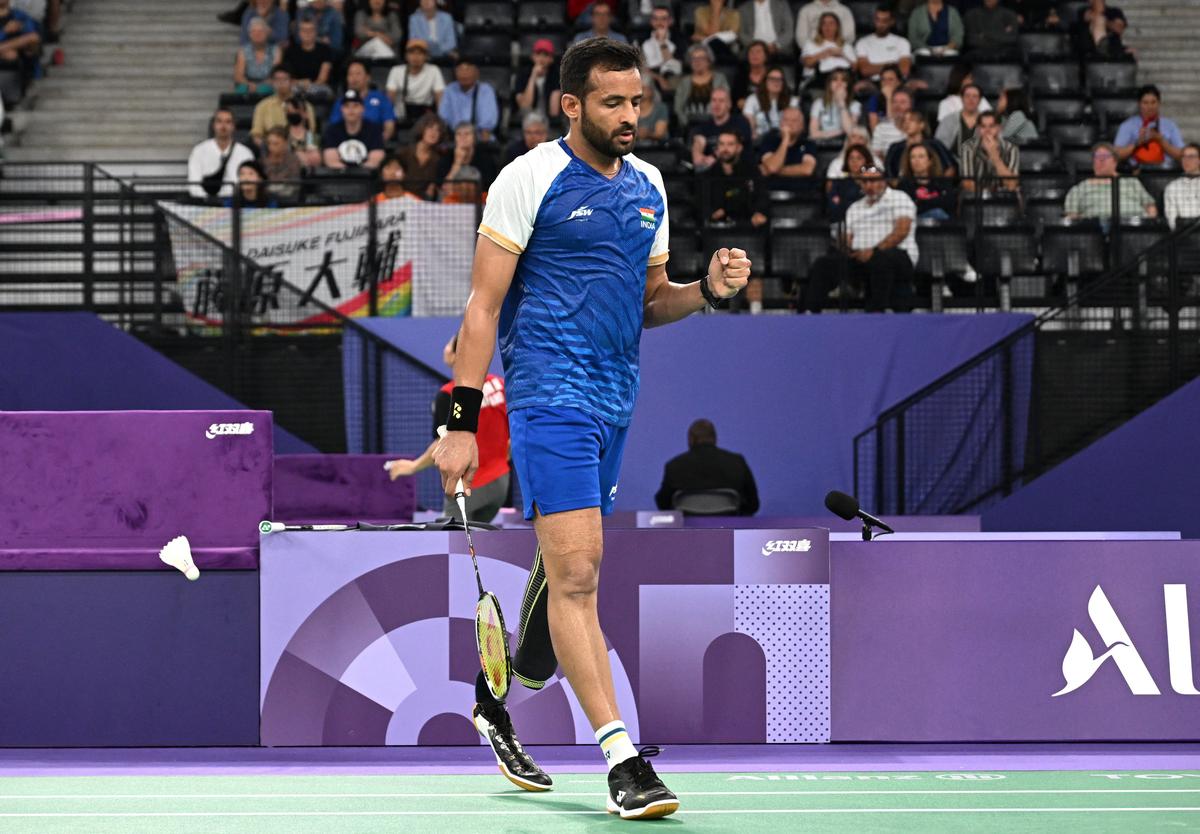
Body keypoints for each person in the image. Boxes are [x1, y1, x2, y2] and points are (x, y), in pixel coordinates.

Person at [434, 38, 750, 820]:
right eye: (613, 103)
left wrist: (705, 289)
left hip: (615, 401)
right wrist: (460, 423)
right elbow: (481, 308)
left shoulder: (648, 186)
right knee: (580, 576)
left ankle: (494, 695)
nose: (630, 116)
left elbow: (651, 302)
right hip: (548, 396)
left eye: (637, 102)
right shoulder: (529, 178)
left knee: (562, 578)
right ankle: (621, 759)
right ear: (572, 104)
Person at [386, 335, 510, 521]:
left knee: (453, 544)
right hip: (501, 483)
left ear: (455, 356)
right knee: (480, 542)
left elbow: (443, 443)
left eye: (448, 345)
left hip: (467, 486)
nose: (444, 348)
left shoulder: (449, 395)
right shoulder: (499, 385)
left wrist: (413, 466)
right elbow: (513, 436)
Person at [806, 164, 917, 312]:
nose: (869, 185)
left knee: (880, 260)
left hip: (897, 256)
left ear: (883, 181)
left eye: (874, 180)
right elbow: (847, 237)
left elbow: (902, 230)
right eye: (865, 182)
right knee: (824, 264)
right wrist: (847, 247)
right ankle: (810, 313)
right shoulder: (855, 208)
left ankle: (875, 314)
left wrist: (875, 250)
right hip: (860, 257)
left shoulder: (899, 198)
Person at [654, 419, 759, 514]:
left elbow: (663, 504)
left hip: (687, 531)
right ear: (715, 438)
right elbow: (753, 504)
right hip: (728, 530)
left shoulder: (674, 466)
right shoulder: (737, 462)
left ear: (691, 439)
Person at [1063, 142, 1157, 225]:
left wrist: (1147, 224)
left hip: (1133, 228)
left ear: (1115, 161)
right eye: (1097, 156)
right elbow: (1072, 217)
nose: (1101, 159)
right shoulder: (1080, 188)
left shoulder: (1132, 182)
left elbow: (1150, 207)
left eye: (1105, 156)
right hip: (1096, 231)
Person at [702, 128, 770, 230]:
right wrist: (710, 213)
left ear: (739, 147)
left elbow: (761, 196)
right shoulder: (708, 175)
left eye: (730, 144)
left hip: (749, 228)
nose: (725, 149)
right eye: (721, 144)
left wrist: (759, 212)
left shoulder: (752, 171)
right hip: (718, 230)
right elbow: (703, 204)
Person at [187, 109, 257, 200]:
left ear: (233, 126)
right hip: (206, 203)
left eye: (228, 122)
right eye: (219, 121)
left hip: (236, 204)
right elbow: (194, 184)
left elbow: (250, 184)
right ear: (213, 125)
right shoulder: (199, 151)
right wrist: (209, 200)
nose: (223, 126)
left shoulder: (245, 153)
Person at [1114, 85, 1185, 171]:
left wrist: (1161, 141)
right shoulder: (1128, 126)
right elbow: (1116, 155)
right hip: (1136, 173)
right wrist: (1137, 143)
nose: (1150, 107)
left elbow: (1183, 156)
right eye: (1145, 103)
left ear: (1159, 103)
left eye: (1153, 102)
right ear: (1139, 104)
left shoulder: (1170, 125)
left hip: (1166, 172)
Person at [329, 59, 397, 142]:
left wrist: (378, 143)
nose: (354, 78)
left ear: (368, 78)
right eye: (350, 74)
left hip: (375, 144)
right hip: (347, 145)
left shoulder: (381, 98)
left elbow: (389, 126)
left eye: (358, 74)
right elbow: (334, 128)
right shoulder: (341, 101)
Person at [251, 66, 317, 147]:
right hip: (271, 149)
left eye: (284, 79)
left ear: (292, 82)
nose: (280, 83)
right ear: (271, 82)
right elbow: (256, 135)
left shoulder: (305, 106)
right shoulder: (262, 106)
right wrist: (267, 148)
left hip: (299, 148)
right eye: (277, 80)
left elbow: (311, 132)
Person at [690, 86, 753, 170]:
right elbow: (699, 141)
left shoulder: (741, 122)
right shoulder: (704, 126)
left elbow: (736, 146)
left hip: (738, 170)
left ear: (729, 104)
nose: (717, 104)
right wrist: (698, 155)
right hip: (712, 172)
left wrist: (714, 157)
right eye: (714, 100)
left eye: (721, 100)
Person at [439, 57, 501, 143]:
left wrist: (483, 145)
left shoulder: (486, 90)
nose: (464, 73)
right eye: (460, 70)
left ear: (477, 73)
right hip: (455, 137)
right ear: (455, 73)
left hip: (478, 138)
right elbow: (443, 118)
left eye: (468, 69)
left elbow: (487, 125)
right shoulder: (450, 90)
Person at [321, 88, 386, 170]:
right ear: (341, 109)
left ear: (363, 109)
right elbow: (331, 160)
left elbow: (376, 160)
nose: (351, 110)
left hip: (367, 179)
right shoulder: (332, 131)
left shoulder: (374, 130)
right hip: (339, 179)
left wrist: (358, 172)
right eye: (347, 106)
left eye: (355, 106)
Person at [386, 39, 445, 125]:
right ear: (406, 56)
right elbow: (390, 98)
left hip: (425, 115)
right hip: (401, 116)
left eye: (420, 53)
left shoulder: (434, 70)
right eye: (412, 53)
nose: (415, 57)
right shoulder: (396, 70)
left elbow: (440, 97)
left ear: (426, 56)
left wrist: (440, 120)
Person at [759, 106, 818, 187]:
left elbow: (807, 169)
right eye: (786, 120)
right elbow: (772, 166)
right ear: (780, 123)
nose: (789, 124)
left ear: (802, 126)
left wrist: (776, 170)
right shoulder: (769, 141)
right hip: (771, 191)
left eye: (794, 121)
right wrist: (785, 140)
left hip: (801, 192)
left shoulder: (809, 144)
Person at [885, 109, 955, 176]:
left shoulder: (935, 145)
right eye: (904, 121)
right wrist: (899, 186)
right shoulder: (895, 148)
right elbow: (889, 171)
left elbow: (950, 168)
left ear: (921, 125)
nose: (907, 123)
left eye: (911, 120)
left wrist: (940, 184)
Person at [897, 143, 957, 221]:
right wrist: (936, 201)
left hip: (942, 225)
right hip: (916, 223)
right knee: (937, 212)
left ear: (930, 161)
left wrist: (920, 202)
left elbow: (950, 203)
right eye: (912, 157)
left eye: (921, 156)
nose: (916, 160)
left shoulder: (942, 182)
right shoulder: (904, 185)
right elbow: (907, 209)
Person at [673, 43, 729, 127]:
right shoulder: (684, 82)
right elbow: (678, 107)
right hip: (689, 123)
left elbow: (725, 103)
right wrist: (686, 123)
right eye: (693, 59)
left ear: (709, 61)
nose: (697, 62)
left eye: (701, 58)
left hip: (714, 123)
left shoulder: (720, 79)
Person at [855, 5, 912, 84]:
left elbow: (904, 70)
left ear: (891, 22)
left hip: (896, 82)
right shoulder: (862, 43)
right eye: (878, 20)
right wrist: (892, 65)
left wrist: (874, 67)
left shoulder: (902, 42)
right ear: (874, 20)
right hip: (873, 83)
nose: (880, 24)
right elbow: (865, 70)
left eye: (884, 21)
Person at [438, 121, 499, 190]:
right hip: (451, 198)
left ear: (474, 138)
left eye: (467, 134)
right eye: (459, 134)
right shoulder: (447, 157)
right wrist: (457, 163)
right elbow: (444, 188)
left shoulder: (486, 159)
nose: (463, 137)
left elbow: (489, 187)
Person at [398, 111, 445, 199]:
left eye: (438, 130)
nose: (433, 133)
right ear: (422, 129)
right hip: (401, 199)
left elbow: (433, 188)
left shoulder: (438, 159)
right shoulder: (404, 153)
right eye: (430, 128)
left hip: (423, 203)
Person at [283, 15, 333, 97]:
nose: (307, 33)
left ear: (316, 32)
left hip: (317, 87)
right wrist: (302, 83)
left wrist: (308, 85)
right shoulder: (290, 51)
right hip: (296, 87)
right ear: (299, 33)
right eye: (304, 30)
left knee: (322, 91)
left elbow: (322, 79)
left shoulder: (325, 50)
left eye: (311, 30)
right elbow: (287, 77)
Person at [742, 67, 797, 140]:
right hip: (760, 140)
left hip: (786, 139)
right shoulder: (753, 99)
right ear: (765, 81)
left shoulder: (792, 101)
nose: (776, 82)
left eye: (779, 80)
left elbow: (796, 126)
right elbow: (749, 126)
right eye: (772, 79)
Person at [514, 39, 563, 121]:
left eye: (546, 55)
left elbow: (554, 112)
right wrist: (533, 76)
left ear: (551, 59)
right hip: (526, 119)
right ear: (532, 57)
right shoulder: (522, 75)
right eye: (538, 54)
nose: (541, 58)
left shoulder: (557, 75)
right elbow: (525, 107)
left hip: (549, 121)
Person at [808, 69, 860, 143]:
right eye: (835, 79)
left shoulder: (855, 105)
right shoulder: (818, 103)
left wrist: (842, 103)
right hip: (822, 143)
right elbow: (813, 133)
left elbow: (850, 132)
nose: (839, 83)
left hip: (845, 144)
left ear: (848, 85)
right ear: (829, 84)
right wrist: (839, 132)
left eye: (843, 80)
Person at [935, 83, 984, 159]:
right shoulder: (948, 120)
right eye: (967, 96)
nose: (971, 99)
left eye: (974, 96)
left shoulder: (987, 120)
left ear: (980, 99)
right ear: (961, 98)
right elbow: (939, 146)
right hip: (954, 163)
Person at [800, 12, 856, 80]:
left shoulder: (847, 46)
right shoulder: (810, 44)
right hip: (816, 80)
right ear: (820, 27)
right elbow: (807, 63)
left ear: (837, 26)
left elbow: (855, 68)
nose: (827, 26)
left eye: (831, 23)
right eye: (824, 23)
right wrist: (826, 53)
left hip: (843, 80)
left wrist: (843, 55)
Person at [825, 141, 871, 220]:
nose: (854, 162)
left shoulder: (875, 182)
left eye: (859, 158)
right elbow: (834, 207)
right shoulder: (838, 183)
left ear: (866, 160)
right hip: (843, 223)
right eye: (851, 158)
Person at [642, 4, 685, 87]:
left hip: (672, 77)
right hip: (650, 77)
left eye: (663, 19)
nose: (659, 22)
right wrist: (658, 78)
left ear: (670, 21)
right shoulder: (643, 39)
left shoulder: (679, 39)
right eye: (656, 19)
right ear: (651, 21)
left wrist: (662, 42)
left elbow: (674, 67)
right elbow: (641, 66)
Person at [233, 17, 279, 95]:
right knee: (242, 90)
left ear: (267, 33)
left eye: (260, 31)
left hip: (269, 84)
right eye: (253, 31)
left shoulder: (276, 50)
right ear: (250, 35)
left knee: (264, 89)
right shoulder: (243, 51)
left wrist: (261, 86)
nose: (257, 34)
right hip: (248, 83)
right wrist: (249, 84)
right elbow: (238, 76)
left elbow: (276, 74)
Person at [261, 126, 303, 204]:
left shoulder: (293, 160)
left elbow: (294, 186)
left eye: (276, 144)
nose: (271, 147)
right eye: (269, 143)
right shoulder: (263, 160)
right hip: (266, 202)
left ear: (285, 143)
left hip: (288, 202)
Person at [1164, 144, 1200, 230]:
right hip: (1183, 235)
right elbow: (1171, 218)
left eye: (1191, 156)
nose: (1186, 160)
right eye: (1184, 157)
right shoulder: (1172, 187)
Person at [870, 86, 911, 161]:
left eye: (902, 102)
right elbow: (876, 156)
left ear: (911, 105)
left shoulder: (916, 128)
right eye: (894, 102)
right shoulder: (881, 128)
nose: (897, 106)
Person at [283, 94, 322, 169]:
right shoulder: (282, 135)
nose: (293, 113)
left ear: (305, 114)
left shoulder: (311, 136)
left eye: (296, 110)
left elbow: (315, 160)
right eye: (289, 111)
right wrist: (298, 156)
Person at [730, 39, 770, 110]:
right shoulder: (741, 76)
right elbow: (735, 100)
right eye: (751, 52)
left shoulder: (772, 75)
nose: (754, 55)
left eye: (758, 52)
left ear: (766, 56)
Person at [637, 76, 670, 141]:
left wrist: (647, 134)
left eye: (644, 88)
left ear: (651, 91)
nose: (640, 91)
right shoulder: (631, 109)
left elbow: (660, 133)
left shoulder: (661, 108)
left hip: (655, 148)